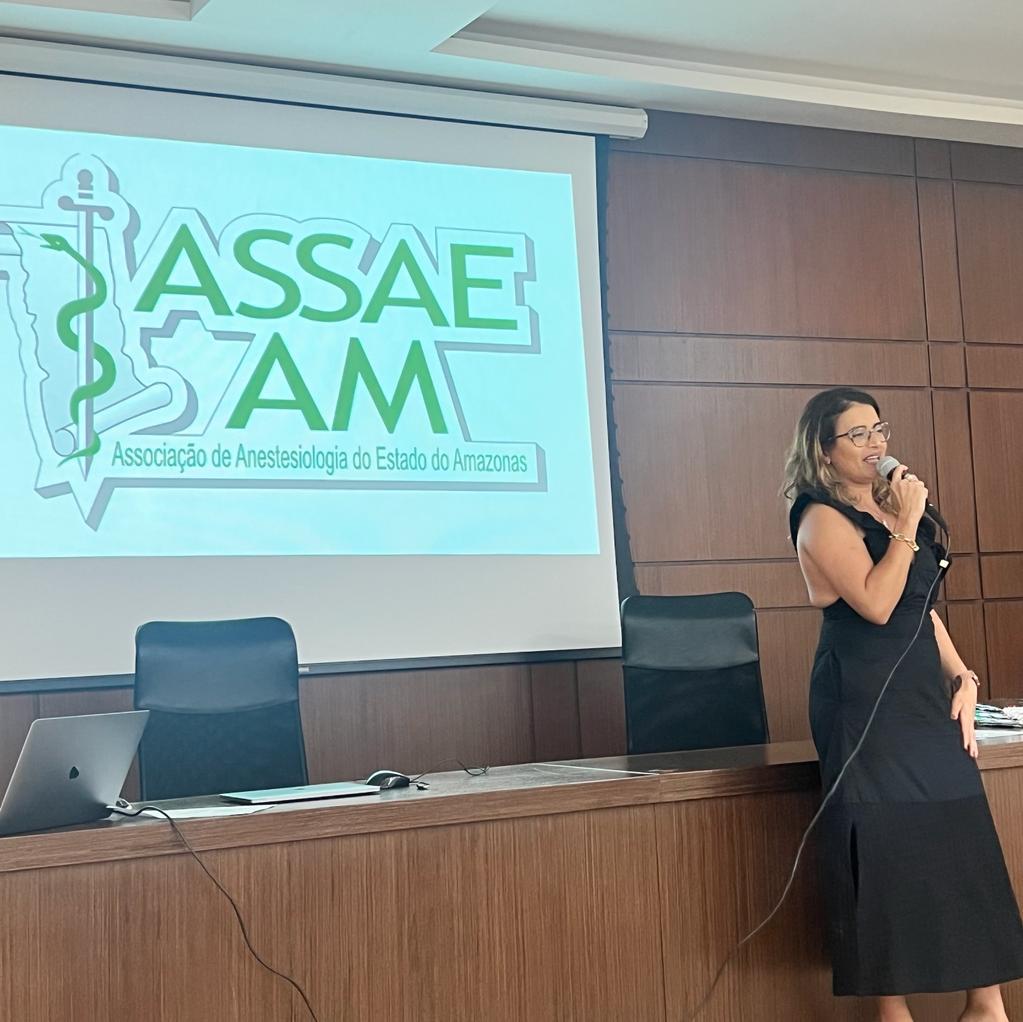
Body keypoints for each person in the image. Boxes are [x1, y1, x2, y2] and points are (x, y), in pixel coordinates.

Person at [784, 387, 1023, 1022]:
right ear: (824, 451)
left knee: (960, 831)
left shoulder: (891, 510)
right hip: (864, 702)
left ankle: (986, 1005)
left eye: (879, 430)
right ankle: (893, 1011)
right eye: (857, 434)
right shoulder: (819, 518)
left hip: (920, 695)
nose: (876, 444)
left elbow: (922, 610)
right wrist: (908, 527)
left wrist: (963, 675)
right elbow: (877, 603)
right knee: (884, 844)